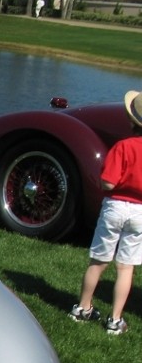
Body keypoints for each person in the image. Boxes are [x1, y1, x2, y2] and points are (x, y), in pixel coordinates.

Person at [69, 90, 142, 336]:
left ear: (132, 121)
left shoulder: (123, 147)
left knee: (99, 261)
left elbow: (108, 183)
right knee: (126, 267)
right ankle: (115, 319)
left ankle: (83, 308)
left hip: (116, 207)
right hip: (140, 212)